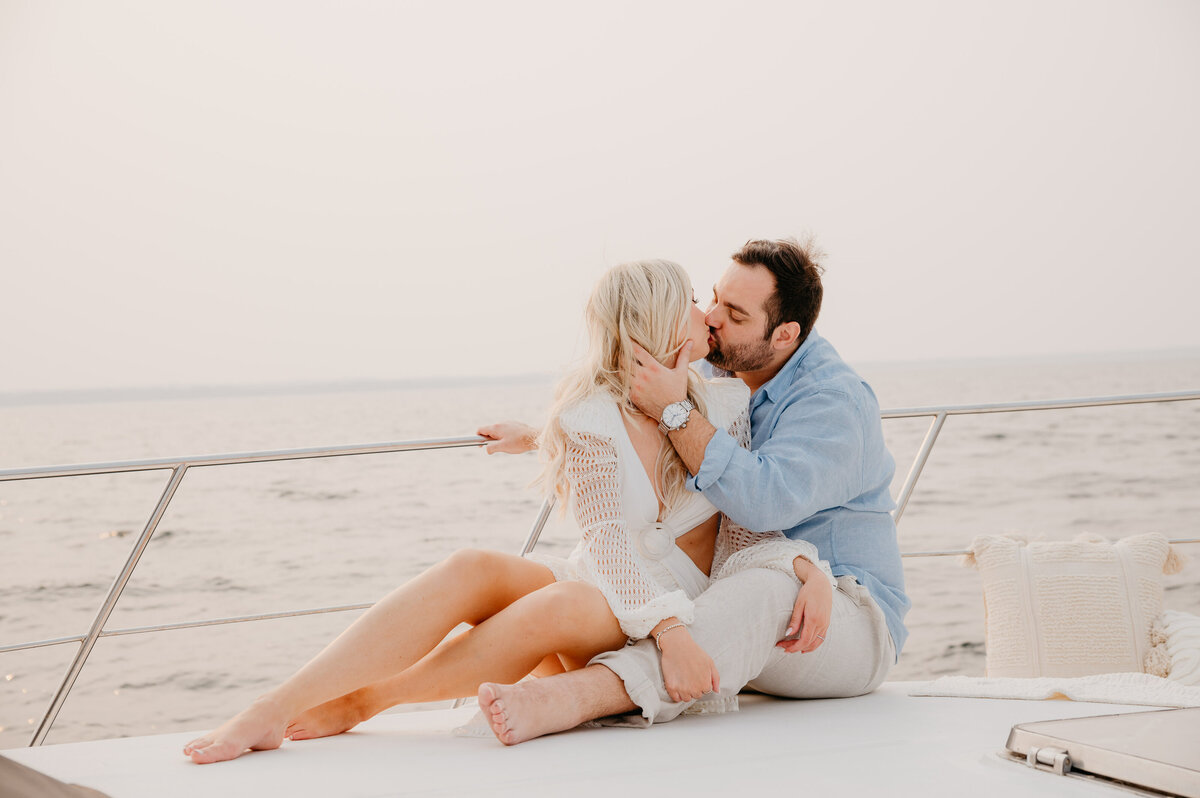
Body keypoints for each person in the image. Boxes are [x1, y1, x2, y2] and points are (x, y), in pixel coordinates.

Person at [181, 258, 832, 764]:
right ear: (660, 319)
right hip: (620, 590)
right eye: (692, 299)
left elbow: (748, 526)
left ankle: (369, 698)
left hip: (670, 607)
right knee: (472, 567)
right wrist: (549, 435)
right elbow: (604, 542)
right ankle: (275, 706)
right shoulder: (587, 419)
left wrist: (805, 569)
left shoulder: (722, 407)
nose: (706, 314)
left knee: (565, 603)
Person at [475, 238, 910, 745]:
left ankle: (573, 698)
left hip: (840, 614)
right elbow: (630, 412)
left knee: (767, 591)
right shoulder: (719, 361)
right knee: (554, 577)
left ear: (785, 334)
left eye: (735, 313)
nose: (712, 318)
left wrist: (675, 410)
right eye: (714, 298)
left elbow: (762, 500)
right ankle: (375, 693)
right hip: (739, 589)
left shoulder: (833, 401)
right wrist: (542, 434)